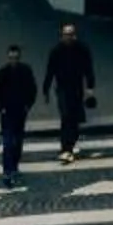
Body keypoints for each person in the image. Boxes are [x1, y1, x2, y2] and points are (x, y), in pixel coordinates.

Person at [43, 18, 97, 162]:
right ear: (62, 35)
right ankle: (66, 147)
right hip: (62, 87)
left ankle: (70, 144)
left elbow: (88, 69)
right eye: (66, 34)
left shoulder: (81, 49)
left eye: (70, 34)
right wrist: (46, 89)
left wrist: (90, 87)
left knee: (74, 117)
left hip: (76, 87)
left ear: (74, 35)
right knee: (66, 116)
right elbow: (50, 71)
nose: (68, 37)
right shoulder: (57, 51)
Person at [0, 44, 37, 189]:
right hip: (8, 112)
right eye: (11, 58)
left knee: (18, 142)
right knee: (9, 143)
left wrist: (28, 105)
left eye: (15, 58)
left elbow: (32, 89)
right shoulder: (2, 73)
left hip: (20, 112)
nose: (13, 61)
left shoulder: (25, 71)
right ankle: (8, 171)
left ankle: (13, 167)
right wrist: (1, 108)